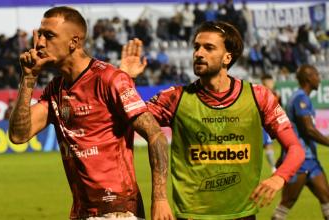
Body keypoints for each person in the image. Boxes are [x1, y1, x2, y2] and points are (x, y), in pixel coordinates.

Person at [120, 21, 305, 219]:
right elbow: (126, 116)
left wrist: (279, 177)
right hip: (192, 215)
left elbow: (295, 148)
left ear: (228, 57)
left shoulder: (258, 96)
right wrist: (124, 78)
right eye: (196, 47)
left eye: (208, 48)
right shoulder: (174, 98)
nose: (198, 53)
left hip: (242, 215)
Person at [8, 6, 173, 220]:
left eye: (49, 36)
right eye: (40, 35)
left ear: (74, 42)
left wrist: (159, 199)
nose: (39, 43)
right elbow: (19, 135)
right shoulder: (55, 90)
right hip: (81, 213)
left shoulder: (109, 79)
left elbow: (156, 135)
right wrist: (28, 78)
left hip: (118, 211)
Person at [272, 64, 329, 220]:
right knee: (286, 204)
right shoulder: (300, 99)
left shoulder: (301, 97)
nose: (319, 79)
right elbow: (308, 130)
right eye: (317, 75)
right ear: (308, 78)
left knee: (327, 200)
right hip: (299, 160)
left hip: (311, 160)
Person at [261, 74, 281, 173]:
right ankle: (274, 168)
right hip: (261, 124)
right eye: (269, 81)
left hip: (269, 123)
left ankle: (274, 168)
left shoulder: (276, 94)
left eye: (271, 81)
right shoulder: (261, 93)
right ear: (264, 82)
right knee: (266, 145)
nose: (271, 83)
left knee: (268, 145)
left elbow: (279, 108)